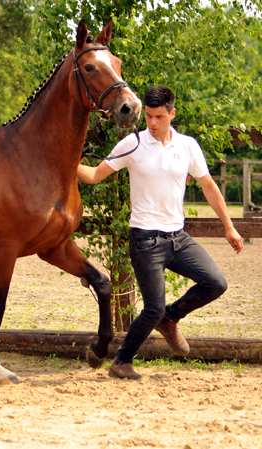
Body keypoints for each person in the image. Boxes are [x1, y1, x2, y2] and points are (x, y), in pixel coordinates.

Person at [77, 85, 244, 380]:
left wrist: (228, 226)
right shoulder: (133, 144)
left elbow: (208, 186)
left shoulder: (187, 145)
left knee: (216, 283)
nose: (153, 123)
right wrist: (66, 162)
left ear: (172, 114)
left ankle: (171, 318)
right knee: (152, 308)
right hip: (145, 240)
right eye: (150, 117)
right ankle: (122, 361)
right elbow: (93, 176)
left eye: (160, 117)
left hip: (177, 238)